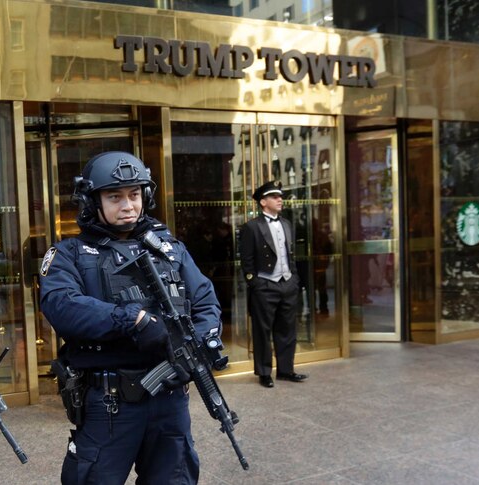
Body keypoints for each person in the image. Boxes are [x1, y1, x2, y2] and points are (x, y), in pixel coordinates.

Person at [40, 151, 221, 484]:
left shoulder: (169, 248)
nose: (128, 205)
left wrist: (197, 342)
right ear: (92, 201)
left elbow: (206, 302)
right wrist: (132, 320)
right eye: (115, 197)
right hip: (110, 404)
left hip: (169, 398)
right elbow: (61, 306)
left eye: (135, 195)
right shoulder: (69, 254)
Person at [239, 180, 308, 388]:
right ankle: (264, 372)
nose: (280, 200)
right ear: (263, 202)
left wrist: (294, 280)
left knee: (287, 329)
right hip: (265, 285)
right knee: (262, 331)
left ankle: (286, 370)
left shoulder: (287, 224)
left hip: (287, 284)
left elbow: (290, 256)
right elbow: (247, 262)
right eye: (275, 197)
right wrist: (256, 284)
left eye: (280, 196)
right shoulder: (251, 227)